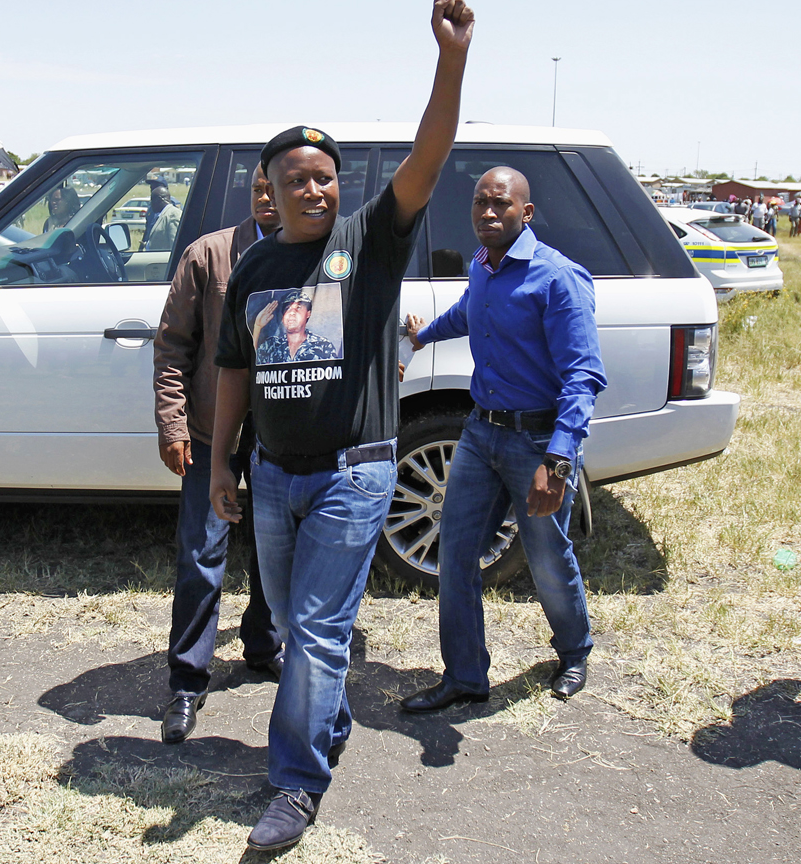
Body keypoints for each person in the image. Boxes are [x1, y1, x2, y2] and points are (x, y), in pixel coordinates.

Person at [209, 1, 474, 849]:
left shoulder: (367, 241)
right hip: (274, 477)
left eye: (325, 175)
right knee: (290, 629)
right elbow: (234, 372)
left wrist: (452, 59)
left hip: (353, 474)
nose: (315, 187)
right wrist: (223, 464)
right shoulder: (254, 266)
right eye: (297, 178)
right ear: (271, 191)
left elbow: (427, 161)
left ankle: (294, 782)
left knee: (319, 631)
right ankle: (324, 726)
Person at [400, 166, 606, 715]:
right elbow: (472, 311)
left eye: (501, 205)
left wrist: (558, 461)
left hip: (537, 442)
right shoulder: (483, 264)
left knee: (545, 555)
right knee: (457, 555)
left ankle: (574, 651)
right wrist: (424, 336)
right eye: (479, 204)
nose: (488, 213)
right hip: (479, 432)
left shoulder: (558, 278)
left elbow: (584, 376)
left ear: (526, 212)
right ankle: (465, 676)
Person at [152, 163, 284, 747]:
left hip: (284, 437)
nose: (267, 199)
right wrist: (173, 424)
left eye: (274, 189)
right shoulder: (208, 256)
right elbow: (173, 346)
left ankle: (262, 647)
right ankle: (187, 682)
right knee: (202, 556)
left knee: (275, 556)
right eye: (258, 189)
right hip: (212, 434)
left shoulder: (312, 257)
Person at [252, 287, 341, 364]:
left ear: (308, 313)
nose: (292, 312)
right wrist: (257, 326)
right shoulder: (271, 345)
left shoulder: (323, 346)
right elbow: (255, 365)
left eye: (298, 308)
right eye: (288, 308)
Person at [142, 180, 182, 251]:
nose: (151, 204)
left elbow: (175, 247)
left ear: (159, 199)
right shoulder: (162, 214)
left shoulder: (173, 215)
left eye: (152, 200)